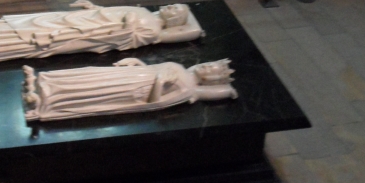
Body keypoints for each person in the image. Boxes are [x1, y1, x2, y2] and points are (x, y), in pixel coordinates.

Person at [0, 0, 202, 62]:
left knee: (47, 38)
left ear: (175, 21)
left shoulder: (153, 31)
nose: (171, 7)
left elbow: (128, 40)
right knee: (47, 19)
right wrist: (94, 6)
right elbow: (114, 9)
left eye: (176, 10)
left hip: (94, 32)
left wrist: (129, 23)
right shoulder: (145, 10)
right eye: (174, 5)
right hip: (92, 18)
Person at [22, 57, 236, 121]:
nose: (208, 66)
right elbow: (152, 68)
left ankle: (43, 101)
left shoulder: (188, 90)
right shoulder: (179, 66)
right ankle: (42, 82)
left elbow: (156, 104)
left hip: (131, 89)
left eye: (213, 70)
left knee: (93, 90)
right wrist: (136, 62)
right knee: (88, 75)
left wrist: (160, 82)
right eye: (211, 64)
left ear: (213, 80)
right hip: (129, 75)